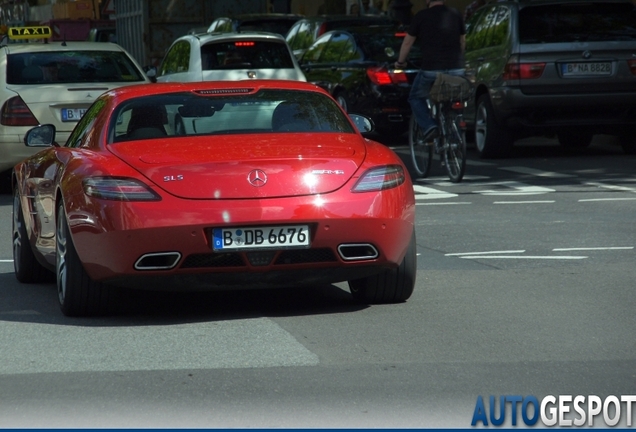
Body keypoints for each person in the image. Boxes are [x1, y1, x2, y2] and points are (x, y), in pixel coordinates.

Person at [394, 0, 466, 139]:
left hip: (431, 69)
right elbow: (462, 41)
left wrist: (400, 62)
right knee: (453, 99)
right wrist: (458, 60)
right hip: (456, 68)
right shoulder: (456, 14)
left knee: (415, 97)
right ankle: (454, 127)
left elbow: (408, 42)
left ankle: (429, 126)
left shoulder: (421, 16)